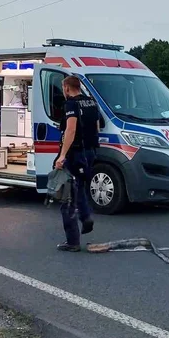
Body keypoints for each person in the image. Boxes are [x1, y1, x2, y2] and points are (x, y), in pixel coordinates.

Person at [54, 76, 100, 251]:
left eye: (63, 87)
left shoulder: (71, 105)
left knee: (67, 196)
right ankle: (86, 216)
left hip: (75, 153)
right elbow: (96, 127)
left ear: (66, 88)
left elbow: (71, 129)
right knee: (79, 187)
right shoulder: (91, 102)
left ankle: (73, 241)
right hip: (90, 151)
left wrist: (62, 155)